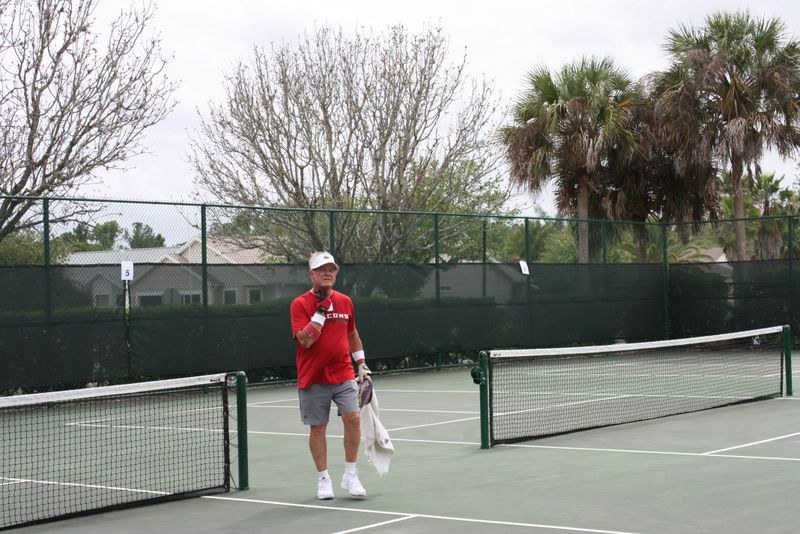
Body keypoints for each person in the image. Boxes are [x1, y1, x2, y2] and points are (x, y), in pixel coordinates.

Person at [290, 251, 371, 499]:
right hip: (313, 377)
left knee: (353, 419)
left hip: (344, 373)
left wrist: (361, 364)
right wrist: (322, 310)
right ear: (311, 274)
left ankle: (351, 474)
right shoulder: (300, 304)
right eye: (322, 270)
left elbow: (352, 334)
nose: (327, 273)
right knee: (318, 428)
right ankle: (323, 479)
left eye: (331, 269)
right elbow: (305, 341)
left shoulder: (345, 301)